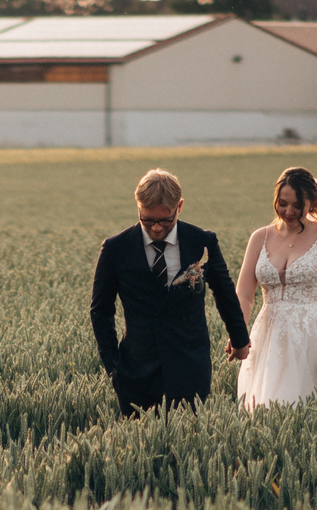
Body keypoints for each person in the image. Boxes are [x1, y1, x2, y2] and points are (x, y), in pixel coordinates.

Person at [90, 169, 250, 416]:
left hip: (190, 366)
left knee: (190, 437)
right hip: (136, 371)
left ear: (179, 207)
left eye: (165, 221)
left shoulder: (201, 242)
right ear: (138, 207)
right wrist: (114, 367)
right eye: (147, 220)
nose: (155, 228)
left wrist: (239, 340)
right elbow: (101, 310)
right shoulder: (116, 248)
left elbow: (224, 291)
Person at [234, 166, 317, 411]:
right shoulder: (259, 238)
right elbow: (244, 295)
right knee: (266, 408)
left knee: (310, 407)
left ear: (312, 203)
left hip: (312, 337)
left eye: (297, 205)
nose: (289, 211)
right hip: (269, 335)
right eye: (283, 203)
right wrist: (238, 334)